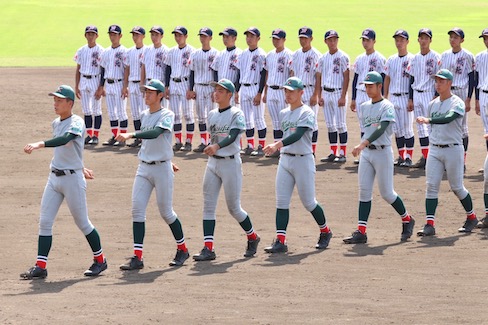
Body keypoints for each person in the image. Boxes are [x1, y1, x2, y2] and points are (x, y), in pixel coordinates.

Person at [20, 85, 107, 279]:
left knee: (83, 223)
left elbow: (66, 139)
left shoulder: (77, 122)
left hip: (72, 180)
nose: (55, 103)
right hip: (54, 178)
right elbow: (68, 150)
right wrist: (81, 165)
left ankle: (100, 261)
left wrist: (39, 144)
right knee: (45, 221)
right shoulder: (56, 122)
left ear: (70, 103)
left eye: (59, 100)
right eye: (54, 100)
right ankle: (40, 266)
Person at [115, 79, 190, 269]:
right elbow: (151, 142)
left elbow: (156, 133)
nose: (146, 95)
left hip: (161, 169)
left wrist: (131, 135)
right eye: (145, 92)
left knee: (166, 212)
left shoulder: (167, 114)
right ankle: (137, 257)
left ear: (160, 95)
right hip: (144, 167)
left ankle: (182, 249)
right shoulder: (143, 114)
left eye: (150, 92)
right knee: (137, 210)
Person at [343, 72, 415, 244]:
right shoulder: (364, 106)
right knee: (364, 191)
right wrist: (364, 145)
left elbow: (381, 128)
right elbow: (366, 129)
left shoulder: (387, 106)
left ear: (379, 86)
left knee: (387, 193)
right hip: (367, 153)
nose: (367, 89)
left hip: (382, 152)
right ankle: (361, 231)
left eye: (371, 86)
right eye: (366, 86)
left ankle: (407, 219)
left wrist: (362, 144)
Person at [193, 79, 261, 261]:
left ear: (230, 95)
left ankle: (253, 237)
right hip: (213, 164)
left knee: (234, 208)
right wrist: (212, 146)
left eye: (221, 91)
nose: (216, 93)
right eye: (216, 90)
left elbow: (232, 136)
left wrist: (216, 146)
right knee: (208, 206)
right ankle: (208, 248)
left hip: (230, 164)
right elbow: (214, 135)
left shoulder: (237, 113)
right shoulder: (212, 114)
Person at [263, 77, 333, 253]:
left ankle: (325, 231)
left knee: (309, 202)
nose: (288, 94)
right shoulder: (283, 112)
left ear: (301, 92)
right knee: (281, 202)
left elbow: (297, 135)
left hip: (303, 160)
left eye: (291, 91)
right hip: (285, 160)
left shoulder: (307, 112)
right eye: (286, 91)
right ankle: (280, 240)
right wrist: (279, 147)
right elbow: (285, 134)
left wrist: (276, 145)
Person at [416, 69, 478, 236]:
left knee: (457, 187)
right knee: (431, 186)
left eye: (441, 81)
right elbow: (434, 128)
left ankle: (471, 217)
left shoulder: (457, 103)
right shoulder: (432, 104)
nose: (438, 84)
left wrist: (429, 120)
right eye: (436, 81)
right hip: (435, 149)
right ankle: (429, 224)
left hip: (453, 149)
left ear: (449, 83)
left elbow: (449, 118)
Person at [439, 28, 475, 169]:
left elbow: (472, 78)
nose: (452, 39)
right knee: (447, 125)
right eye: (451, 37)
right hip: (447, 93)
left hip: (461, 92)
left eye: (456, 37)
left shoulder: (468, 55)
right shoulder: (444, 55)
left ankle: (462, 160)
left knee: (462, 127)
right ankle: (448, 159)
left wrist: (468, 98)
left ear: (462, 40)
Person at [350, 29, 386, 164]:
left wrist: (381, 96)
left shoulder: (380, 58)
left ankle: (376, 151)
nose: (365, 43)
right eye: (363, 40)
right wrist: (353, 98)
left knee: (374, 123)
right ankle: (364, 153)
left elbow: (382, 78)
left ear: (374, 41)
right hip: (360, 93)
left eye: (368, 40)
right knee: (363, 125)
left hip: (373, 95)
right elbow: (356, 78)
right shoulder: (359, 58)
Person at [406, 28, 441, 169]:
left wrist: (437, 95)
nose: (424, 40)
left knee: (432, 127)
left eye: (426, 38)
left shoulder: (436, 57)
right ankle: (426, 157)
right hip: (417, 93)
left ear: (430, 40)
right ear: (418, 40)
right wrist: (410, 98)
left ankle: (435, 158)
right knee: (420, 128)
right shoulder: (414, 58)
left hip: (429, 93)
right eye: (421, 37)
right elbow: (411, 78)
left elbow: (440, 78)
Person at [314, 29, 350, 163]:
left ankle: (342, 153)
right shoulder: (322, 58)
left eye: (335, 39)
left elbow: (346, 77)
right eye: (330, 39)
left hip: (337, 93)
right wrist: (319, 95)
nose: (333, 42)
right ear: (325, 41)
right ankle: (333, 152)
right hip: (326, 93)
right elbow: (318, 76)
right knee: (330, 125)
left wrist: (343, 96)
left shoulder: (343, 56)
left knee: (341, 124)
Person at [384, 29, 415, 167]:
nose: (399, 42)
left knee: (407, 128)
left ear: (407, 42)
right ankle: (401, 156)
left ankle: (409, 157)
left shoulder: (412, 59)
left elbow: (413, 80)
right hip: (393, 98)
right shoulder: (391, 59)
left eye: (402, 40)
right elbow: (387, 78)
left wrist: (411, 98)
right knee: (397, 129)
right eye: (397, 39)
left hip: (405, 97)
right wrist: (385, 96)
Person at [236, 27, 267, 156]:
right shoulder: (243, 54)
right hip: (244, 88)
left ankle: (261, 146)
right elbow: (239, 72)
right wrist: (237, 91)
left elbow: (264, 74)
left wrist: (260, 93)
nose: (249, 39)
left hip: (255, 88)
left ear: (258, 38)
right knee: (247, 119)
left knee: (259, 118)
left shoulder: (261, 54)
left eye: (252, 36)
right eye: (247, 36)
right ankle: (250, 145)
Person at [290, 27, 321, 155]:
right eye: (301, 38)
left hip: (310, 90)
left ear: (311, 39)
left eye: (305, 38)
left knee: (311, 122)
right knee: (296, 120)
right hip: (297, 91)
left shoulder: (316, 55)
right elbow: (292, 72)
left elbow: (319, 76)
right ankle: (299, 147)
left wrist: (316, 94)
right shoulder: (295, 54)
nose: (303, 40)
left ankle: (311, 150)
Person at [164, 26, 196, 152]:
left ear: (186, 36)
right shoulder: (171, 51)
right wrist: (166, 86)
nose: (178, 38)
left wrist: (191, 88)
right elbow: (168, 69)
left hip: (185, 83)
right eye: (176, 35)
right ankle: (178, 142)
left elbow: (193, 71)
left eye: (180, 35)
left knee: (188, 114)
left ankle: (188, 142)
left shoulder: (192, 51)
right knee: (176, 115)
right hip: (173, 83)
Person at [262, 28, 292, 157]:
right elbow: (267, 73)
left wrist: (288, 93)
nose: (275, 41)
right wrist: (265, 92)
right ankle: (276, 148)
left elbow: (292, 73)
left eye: (278, 39)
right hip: (271, 91)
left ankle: (286, 148)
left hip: (282, 91)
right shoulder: (269, 55)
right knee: (275, 122)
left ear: (284, 40)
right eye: (273, 38)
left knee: (284, 121)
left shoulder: (289, 54)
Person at [97, 24, 128, 147]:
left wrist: (125, 86)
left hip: (119, 83)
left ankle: (123, 138)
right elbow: (103, 69)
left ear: (120, 36)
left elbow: (127, 69)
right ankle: (115, 136)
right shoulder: (106, 52)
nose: (112, 36)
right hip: (109, 84)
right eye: (111, 34)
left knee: (121, 112)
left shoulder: (124, 51)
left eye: (115, 34)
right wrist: (101, 86)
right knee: (111, 112)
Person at [188, 27, 218, 153]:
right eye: (201, 36)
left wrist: (216, 90)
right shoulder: (195, 53)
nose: (203, 38)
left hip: (210, 88)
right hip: (199, 87)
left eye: (205, 36)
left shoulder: (216, 53)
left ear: (210, 38)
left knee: (212, 116)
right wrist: (191, 89)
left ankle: (213, 141)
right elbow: (191, 72)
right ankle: (203, 141)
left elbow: (216, 72)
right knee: (201, 116)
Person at [74, 25, 104, 146]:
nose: (90, 36)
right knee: (86, 110)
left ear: (97, 36)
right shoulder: (81, 50)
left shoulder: (101, 50)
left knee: (96, 110)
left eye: (93, 34)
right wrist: (76, 86)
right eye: (88, 34)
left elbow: (104, 70)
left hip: (95, 80)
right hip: (84, 80)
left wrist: (101, 87)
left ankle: (95, 136)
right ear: (85, 35)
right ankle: (89, 135)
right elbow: (78, 68)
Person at [123, 26, 146, 148]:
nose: (135, 37)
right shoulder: (129, 51)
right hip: (132, 84)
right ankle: (138, 138)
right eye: (133, 35)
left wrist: (143, 84)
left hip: (142, 85)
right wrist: (125, 86)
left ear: (143, 36)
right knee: (135, 113)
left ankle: (145, 137)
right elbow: (126, 69)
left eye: (137, 35)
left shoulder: (147, 50)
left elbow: (146, 68)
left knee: (143, 112)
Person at [211, 27, 242, 106]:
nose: (225, 39)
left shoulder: (240, 54)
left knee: (233, 114)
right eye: (224, 37)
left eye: (227, 37)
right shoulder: (220, 54)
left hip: (232, 90)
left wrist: (236, 90)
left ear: (234, 38)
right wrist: (216, 88)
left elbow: (240, 73)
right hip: (220, 90)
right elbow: (215, 70)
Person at [140, 25, 169, 108]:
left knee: (162, 110)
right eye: (152, 35)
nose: (154, 37)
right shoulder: (146, 50)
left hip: (160, 84)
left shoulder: (166, 51)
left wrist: (166, 86)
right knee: (147, 110)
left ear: (162, 36)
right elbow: (143, 66)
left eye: (156, 35)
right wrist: (142, 82)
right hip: (148, 84)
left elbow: (168, 70)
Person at [475, 28, 488, 173]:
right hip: (483, 95)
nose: (486, 41)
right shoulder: (479, 56)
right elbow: (477, 78)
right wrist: (477, 99)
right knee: (487, 130)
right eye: (484, 38)